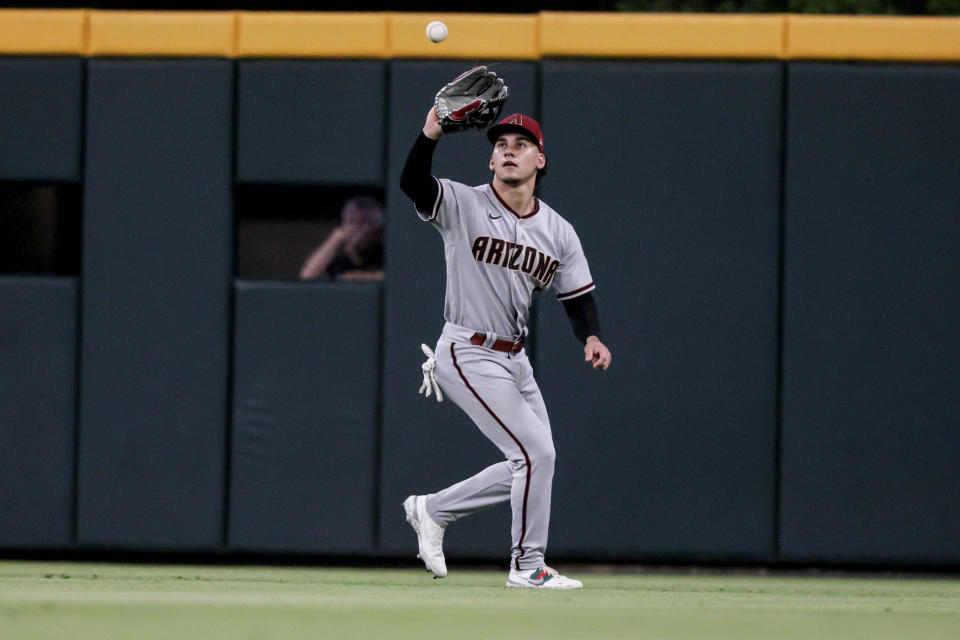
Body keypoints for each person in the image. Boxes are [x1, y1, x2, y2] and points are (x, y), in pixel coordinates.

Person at [399, 104, 612, 590]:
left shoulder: (558, 231)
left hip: (515, 359)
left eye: (522, 145)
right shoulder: (463, 204)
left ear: (540, 160)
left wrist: (592, 337)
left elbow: (578, 298)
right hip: (466, 350)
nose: (510, 151)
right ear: (491, 162)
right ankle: (527, 566)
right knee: (534, 455)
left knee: (539, 459)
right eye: (501, 146)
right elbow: (414, 182)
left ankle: (432, 510)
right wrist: (431, 132)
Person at [299, 196, 384, 282]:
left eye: (363, 222)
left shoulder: (385, 254)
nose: (356, 228)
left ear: (378, 228)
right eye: (351, 221)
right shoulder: (338, 257)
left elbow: (393, 276)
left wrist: (356, 277)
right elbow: (307, 277)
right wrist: (335, 239)